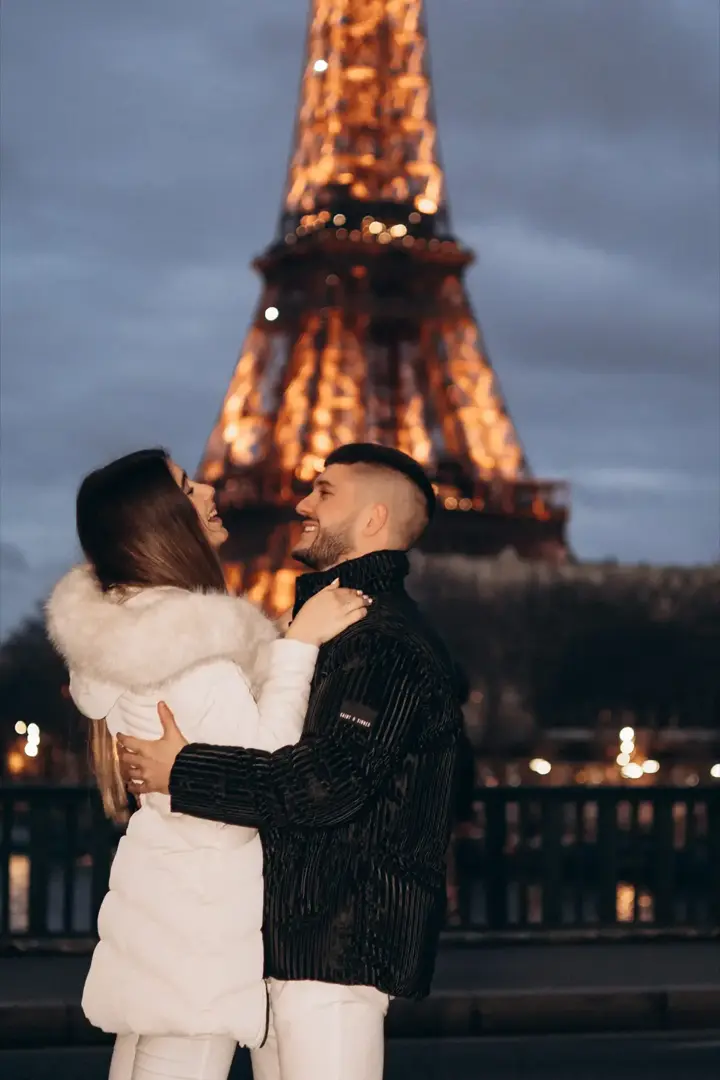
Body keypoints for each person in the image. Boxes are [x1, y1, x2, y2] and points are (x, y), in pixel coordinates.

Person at [118, 443, 463, 1080]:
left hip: (338, 951)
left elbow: (326, 783)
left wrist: (182, 772)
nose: (301, 503)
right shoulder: (328, 632)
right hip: (290, 943)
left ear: (372, 521)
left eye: (325, 492)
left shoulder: (383, 642)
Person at [46, 447, 370, 1080]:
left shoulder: (139, 640)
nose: (209, 489)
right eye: (188, 487)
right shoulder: (195, 656)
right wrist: (299, 644)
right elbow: (265, 765)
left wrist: (270, 640)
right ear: (161, 521)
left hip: (159, 892)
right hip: (204, 912)